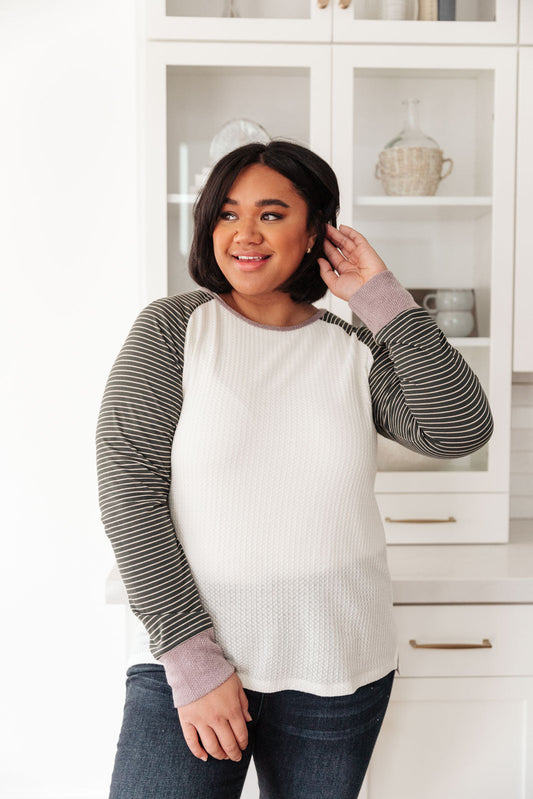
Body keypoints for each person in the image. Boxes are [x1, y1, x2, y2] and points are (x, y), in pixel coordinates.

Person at [96, 140, 493, 799]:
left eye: (272, 214)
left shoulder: (353, 346)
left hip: (338, 663)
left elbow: (459, 428)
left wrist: (381, 299)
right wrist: (194, 661)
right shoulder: (174, 330)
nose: (245, 233)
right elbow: (129, 492)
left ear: (315, 233)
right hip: (192, 659)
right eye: (228, 213)